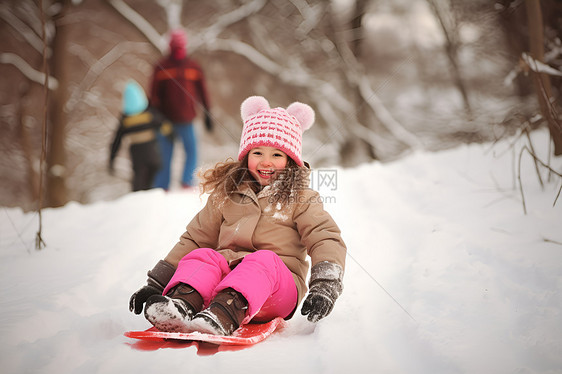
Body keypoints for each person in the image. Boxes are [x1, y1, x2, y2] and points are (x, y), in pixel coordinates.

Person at [129, 95, 347, 336]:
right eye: (257, 153)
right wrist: (156, 283)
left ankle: (222, 314)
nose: (266, 162)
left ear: (291, 160)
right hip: (226, 282)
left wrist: (325, 285)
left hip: (277, 289)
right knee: (204, 254)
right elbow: (194, 237)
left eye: (277, 155)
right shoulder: (227, 194)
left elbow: (324, 237)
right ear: (246, 156)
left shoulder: (301, 197)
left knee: (263, 260)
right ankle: (182, 304)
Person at [149, 28, 212, 190]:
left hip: (187, 119)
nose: (178, 48)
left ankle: (187, 182)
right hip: (165, 121)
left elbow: (203, 92)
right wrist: (153, 116)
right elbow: (153, 95)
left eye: (180, 45)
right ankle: (162, 188)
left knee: (192, 151)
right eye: (175, 45)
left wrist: (208, 114)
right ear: (170, 46)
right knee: (165, 154)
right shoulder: (161, 67)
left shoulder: (193, 66)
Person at [109, 80, 172, 191]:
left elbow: (117, 140)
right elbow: (164, 125)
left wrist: (112, 159)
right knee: (153, 175)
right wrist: (170, 135)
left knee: (139, 179)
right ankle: (151, 197)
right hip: (152, 151)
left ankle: (137, 198)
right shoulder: (150, 114)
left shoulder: (125, 120)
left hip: (137, 153)